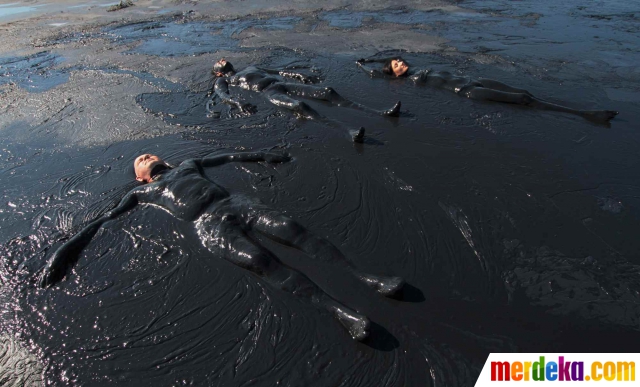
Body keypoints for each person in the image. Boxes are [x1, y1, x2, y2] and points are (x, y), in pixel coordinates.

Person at [39, 151, 406, 341]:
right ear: (139, 176)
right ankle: (342, 313)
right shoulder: (141, 194)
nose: (147, 155)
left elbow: (228, 156)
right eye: (141, 159)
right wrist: (64, 252)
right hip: (209, 227)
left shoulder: (188, 165)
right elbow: (102, 222)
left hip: (236, 204)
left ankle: (369, 278)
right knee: (263, 262)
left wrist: (266, 155)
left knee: (294, 231)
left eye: (149, 152)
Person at [356, 56, 618, 123]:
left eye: (399, 60)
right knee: (523, 99)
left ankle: (584, 113)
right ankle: (585, 114)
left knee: (524, 90)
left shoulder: (415, 71)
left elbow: (385, 62)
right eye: (395, 65)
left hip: (474, 81)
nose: (400, 63)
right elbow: (375, 74)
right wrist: (362, 65)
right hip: (467, 91)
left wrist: (374, 59)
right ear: (392, 74)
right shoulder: (409, 81)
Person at [210, 59, 402, 142]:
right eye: (219, 62)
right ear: (218, 71)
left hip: (280, 84)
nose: (222, 58)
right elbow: (223, 95)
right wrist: (238, 103)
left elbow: (276, 72)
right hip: (269, 93)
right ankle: (348, 131)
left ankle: (380, 113)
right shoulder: (224, 80)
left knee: (327, 91)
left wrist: (297, 75)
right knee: (299, 106)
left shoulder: (251, 67)